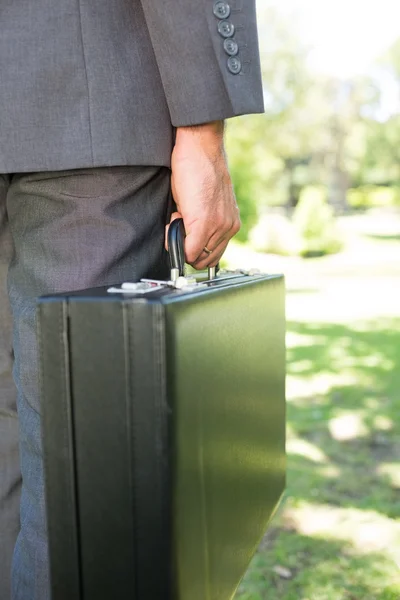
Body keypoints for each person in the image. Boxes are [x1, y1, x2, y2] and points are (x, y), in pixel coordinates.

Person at [0, 1, 264, 598]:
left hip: (80, 118)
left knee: (43, 440)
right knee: (82, 464)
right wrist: (204, 133)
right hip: (86, 109)